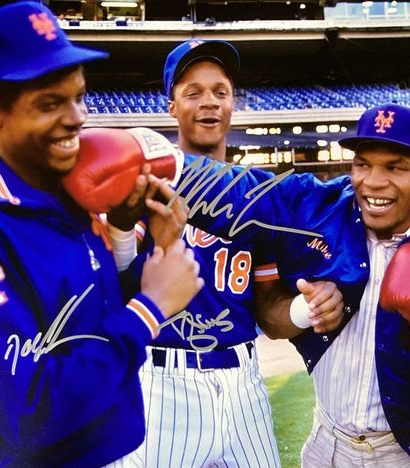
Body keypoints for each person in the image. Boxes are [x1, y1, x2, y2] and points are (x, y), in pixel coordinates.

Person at [156, 103, 410, 467]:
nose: (373, 181)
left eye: (394, 167)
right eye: (363, 164)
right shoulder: (319, 206)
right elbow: (244, 192)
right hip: (326, 443)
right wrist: (159, 163)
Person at [0, 3, 203, 467]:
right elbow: (30, 412)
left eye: (79, 97)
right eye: (50, 103)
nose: (76, 118)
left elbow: (87, 320)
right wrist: (150, 310)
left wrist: (125, 235)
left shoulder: (63, 191)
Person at [107, 38, 345, 468]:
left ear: (234, 103)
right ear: (171, 107)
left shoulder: (257, 199)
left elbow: (269, 314)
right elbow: (112, 289)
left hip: (243, 382)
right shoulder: (147, 185)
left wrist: (308, 309)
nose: (209, 102)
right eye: (193, 93)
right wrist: (122, 228)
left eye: (220, 91)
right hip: (161, 381)